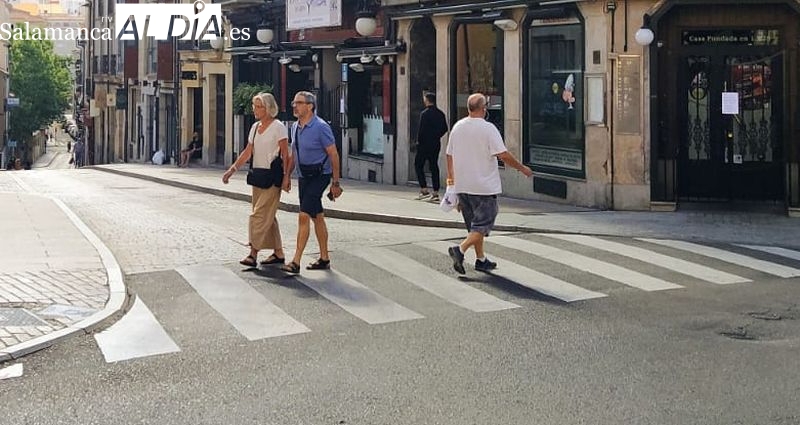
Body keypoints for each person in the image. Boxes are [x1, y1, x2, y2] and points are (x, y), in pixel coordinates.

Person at [445, 93, 533, 274]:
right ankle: (459, 250)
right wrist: (522, 168)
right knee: (483, 224)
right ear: (484, 109)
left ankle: (481, 259)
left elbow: (449, 155)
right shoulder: (488, 129)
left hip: (463, 185)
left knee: (474, 226)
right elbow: (503, 154)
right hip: (483, 186)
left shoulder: (457, 127)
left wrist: (452, 182)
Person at [222, 92, 292, 267]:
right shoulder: (254, 127)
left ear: (268, 108)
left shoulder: (278, 127)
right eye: (254, 106)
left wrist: (286, 177)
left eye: (258, 106)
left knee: (258, 216)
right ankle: (278, 253)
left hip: (273, 178)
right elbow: (247, 152)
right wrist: (232, 169)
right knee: (268, 216)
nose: (254, 109)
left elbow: (286, 154)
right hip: (258, 177)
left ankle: (253, 253)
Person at [280, 91, 343, 274]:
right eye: (294, 103)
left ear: (310, 106)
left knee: (303, 215)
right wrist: (287, 176)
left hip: (320, 175)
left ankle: (296, 261)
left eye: (298, 103)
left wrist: (335, 183)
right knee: (317, 216)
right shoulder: (295, 127)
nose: (294, 106)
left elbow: (333, 154)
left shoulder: (321, 127)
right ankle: (324, 258)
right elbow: (294, 154)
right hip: (304, 175)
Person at [414, 92, 449, 202]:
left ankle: (424, 189)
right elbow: (445, 128)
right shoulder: (440, 114)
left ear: (427, 100)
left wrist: (418, 142)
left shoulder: (425, 114)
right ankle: (435, 192)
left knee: (418, 165)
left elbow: (421, 130)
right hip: (435, 144)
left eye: (425, 99)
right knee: (434, 166)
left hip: (424, 144)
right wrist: (436, 136)